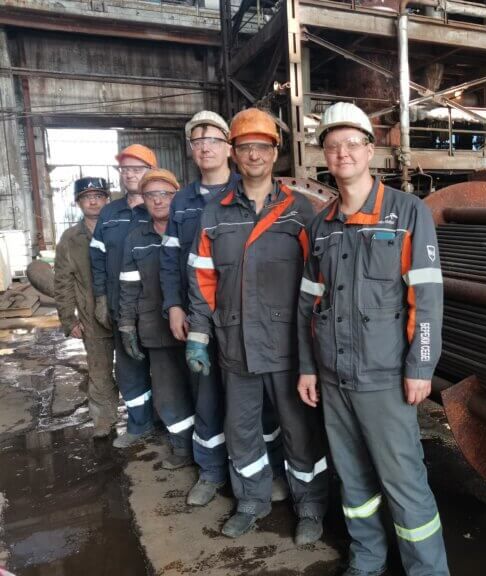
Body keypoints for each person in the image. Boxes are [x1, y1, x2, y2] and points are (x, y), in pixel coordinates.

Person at [297, 102, 449, 576]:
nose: (342, 153)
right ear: (325, 155)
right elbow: (309, 304)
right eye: (332, 145)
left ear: (369, 150)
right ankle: (367, 559)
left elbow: (426, 297)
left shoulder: (407, 213)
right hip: (333, 375)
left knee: (404, 482)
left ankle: (427, 570)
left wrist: (421, 366)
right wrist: (308, 366)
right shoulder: (320, 227)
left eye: (351, 144)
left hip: (385, 377)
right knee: (352, 478)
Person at [186, 108, 328, 542]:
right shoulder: (215, 213)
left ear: (274, 153)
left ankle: (310, 505)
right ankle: (251, 500)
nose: (254, 155)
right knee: (241, 428)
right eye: (246, 147)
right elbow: (201, 278)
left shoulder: (298, 212)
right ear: (234, 153)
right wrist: (198, 335)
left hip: (288, 346)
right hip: (235, 342)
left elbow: (317, 281)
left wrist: (317, 343)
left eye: (262, 147)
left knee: (299, 429)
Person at [159, 110, 287, 507]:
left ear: (228, 148)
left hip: (245, 319)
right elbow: (172, 260)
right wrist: (174, 306)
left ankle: (265, 471)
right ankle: (212, 471)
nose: (206, 148)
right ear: (191, 149)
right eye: (198, 142)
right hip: (199, 314)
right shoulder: (182, 201)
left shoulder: (246, 188)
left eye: (213, 140)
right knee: (207, 396)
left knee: (254, 403)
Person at [118, 169, 196, 470]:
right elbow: (128, 286)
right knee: (168, 393)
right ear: (144, 200)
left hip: (196, 325)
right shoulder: (136, 238)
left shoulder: (192, 230)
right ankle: (182, 446)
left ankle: (211, 452)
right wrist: (127, 324)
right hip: (156, 328)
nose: (158, 200)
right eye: (151, 195)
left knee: (204, 391)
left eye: (165, 194)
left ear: (177, 196)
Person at [90, 144, 156, 448]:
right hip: (121, 307)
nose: (129, 174)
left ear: (151, 172)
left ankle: (170, 424)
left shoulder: (161, 207)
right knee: (129, 370)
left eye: (137, 169)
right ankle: (139, 424)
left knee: (167, 370)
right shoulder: (109, 213)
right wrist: (101, 298)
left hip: (157, 308)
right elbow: (97, 258)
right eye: (125, 169)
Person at [54, 177, 119, 438]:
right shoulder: (71, 238)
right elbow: (63, 281)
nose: (93, 201)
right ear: (78, 203)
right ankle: (103, 419)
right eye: (86, 197)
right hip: (91, 317)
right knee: (99, 370)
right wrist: (69, 320)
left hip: (125, 311)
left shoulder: (120, 228)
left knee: (134, 370)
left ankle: (145, 417)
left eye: (98, 196)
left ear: (107, 200)